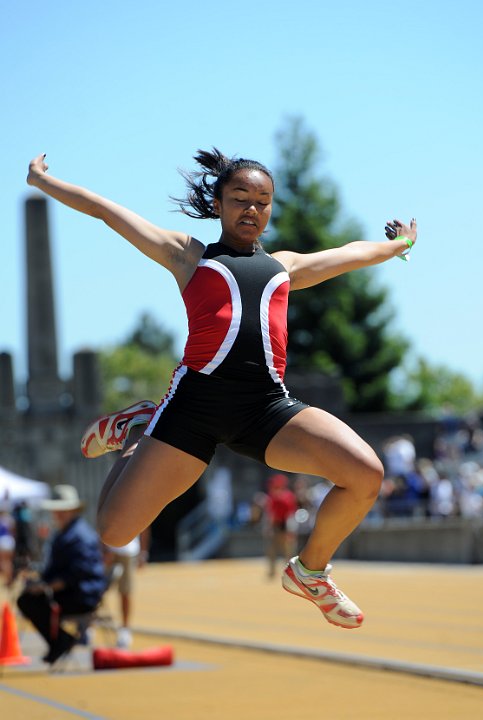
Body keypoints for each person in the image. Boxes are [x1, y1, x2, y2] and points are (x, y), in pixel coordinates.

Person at [27, 150, 417, 629]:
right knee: (114, 530)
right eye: (240, 199)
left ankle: (310, 572)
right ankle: (139, 430)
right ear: (217, 204)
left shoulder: (283, 267)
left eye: (262, 201)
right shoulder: (189, 255)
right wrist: (43, 181)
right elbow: (106, 210)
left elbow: (347, 255)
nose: (251, 209)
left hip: (266, 408)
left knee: (365, 473)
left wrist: (397, 245)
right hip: (194, 409)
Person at [17, 485, 107, 664]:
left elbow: (76, 574)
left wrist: (45, 587)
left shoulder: (79, 536)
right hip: (72, 590)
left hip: (83, 595)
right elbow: (57, 570)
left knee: (28, 601)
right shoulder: (66, 534)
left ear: (73, 510)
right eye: (56, 510)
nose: (57, 514)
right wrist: (39, 582)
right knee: (27, 598)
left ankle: (60, 641)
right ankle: (60, 640)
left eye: (62, 510)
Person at [102, 527, 150, 648]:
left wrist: (143, 552)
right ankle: (88, 626)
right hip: (109, 550)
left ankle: (125, 629)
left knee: (125, 591)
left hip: (128, 551)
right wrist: (103, 548)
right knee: (98, 590)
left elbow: (144, 524)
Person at [262, 473, 298, 579]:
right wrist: (269, 527)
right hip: (276, 525)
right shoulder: (272, 496)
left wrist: (290, 530)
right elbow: (271, 513)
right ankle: (272, 571)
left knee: (288, 550)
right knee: (272, 549)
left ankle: (290, 573)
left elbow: (291, 514)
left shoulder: (287, 496)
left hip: (285, 525)